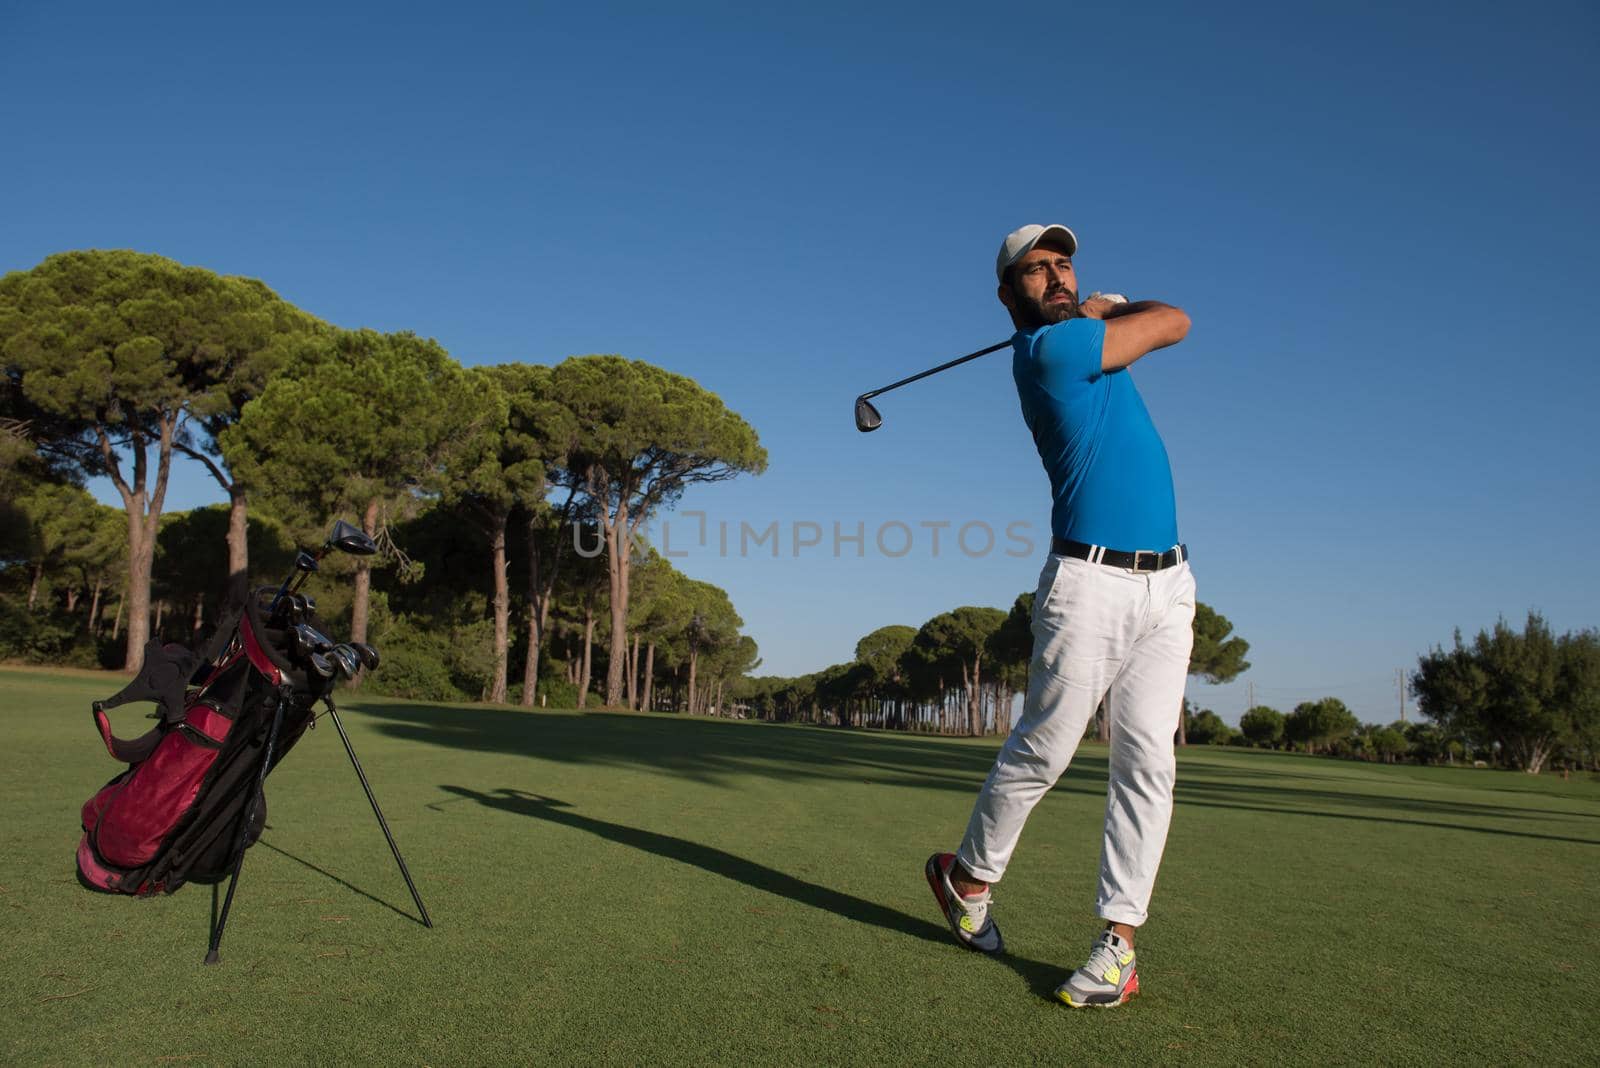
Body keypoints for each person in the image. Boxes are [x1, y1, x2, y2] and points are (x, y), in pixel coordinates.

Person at [925, 223, 1195, 1008]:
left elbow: (1152, 320)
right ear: (1009, 296)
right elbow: (1175, 320)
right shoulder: (1053, 352)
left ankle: (1119, 947)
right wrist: (1109, 310)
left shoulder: (1086, 334)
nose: (1056, 276)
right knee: (1045, 749)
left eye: (1064, 264)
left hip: (1171, 583)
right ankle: (968, 879)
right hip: (1089, 581)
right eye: (1035, 271)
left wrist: (1102, 310)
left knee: (1149, 764)